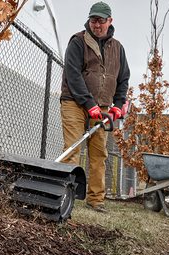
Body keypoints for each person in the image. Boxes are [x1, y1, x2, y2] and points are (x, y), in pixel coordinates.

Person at [60, 1, 130, 214]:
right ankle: (63, 194)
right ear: (89, 20)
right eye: (93, 20)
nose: (96, 25)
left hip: (103, 108)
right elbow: (73, 75)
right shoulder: (78, 41)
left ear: (110, 21)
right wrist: (89, 104)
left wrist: (118, 105)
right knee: (72, 149)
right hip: (74, 102)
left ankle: (95, 200)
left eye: (101, 20)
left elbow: (123, 79)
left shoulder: (118, 48)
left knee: (99, 155)